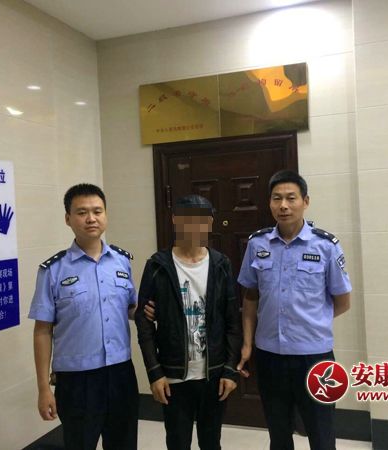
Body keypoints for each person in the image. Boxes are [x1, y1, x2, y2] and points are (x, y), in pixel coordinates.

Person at [236, 170, 352, 450]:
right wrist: (248, 344)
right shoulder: (257, 244)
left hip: (314, 358)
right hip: (269, 355)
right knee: (278, 433)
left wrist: (310, 322)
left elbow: (343, 301)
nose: (284, 206)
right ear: (270, 203)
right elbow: (250, 297)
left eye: (291, 198)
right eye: (277, 198)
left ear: (305, 202)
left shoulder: (325, 246)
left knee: (321, 433)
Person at [28, 183, 139, 450]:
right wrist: (43, 388)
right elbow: (42, 330)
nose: (91, 218)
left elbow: (130, 308)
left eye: (97, 211)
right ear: (68, 219)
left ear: (106, 215)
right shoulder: (53, 270)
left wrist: (158, 310)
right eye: (82, 212)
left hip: (120, 374)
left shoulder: (122, 262)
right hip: (76, 380)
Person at [135, 195, 242, 450]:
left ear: (210, 223)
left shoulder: (221, 264)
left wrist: (230, 370)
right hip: (173, 375)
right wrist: (154, 372)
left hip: (214, 374)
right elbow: (143, 322)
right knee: (177, 442)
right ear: (175, 220)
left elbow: (232, 321)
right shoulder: (157, 265)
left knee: (211, 442)